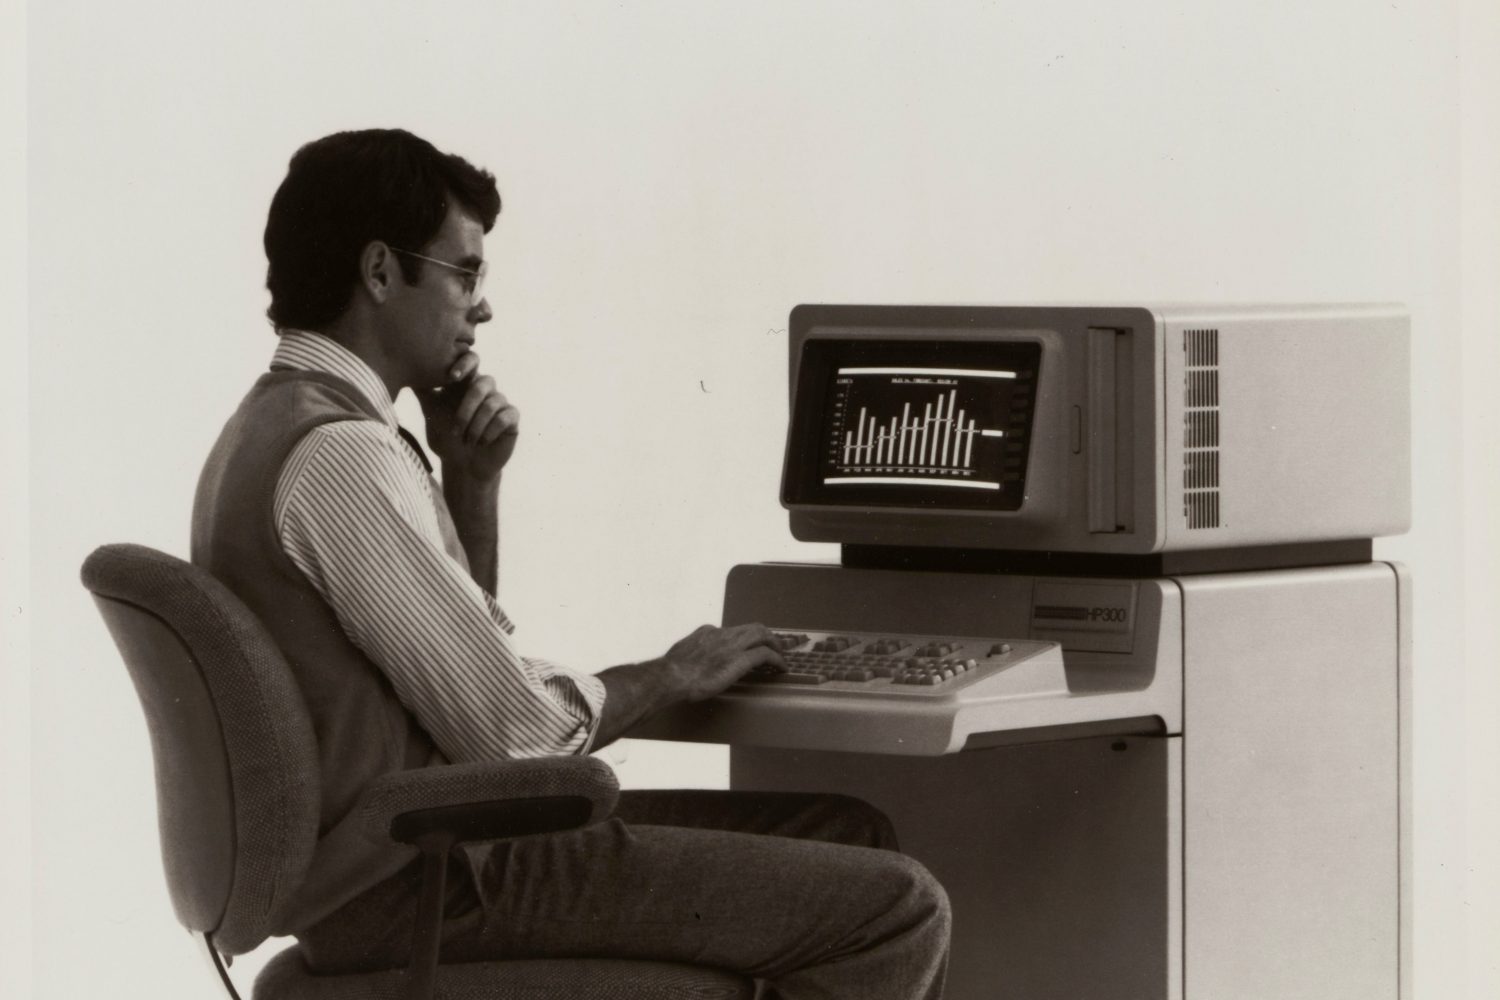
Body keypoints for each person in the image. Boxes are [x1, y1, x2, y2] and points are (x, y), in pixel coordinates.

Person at [193, 128, 950, 998]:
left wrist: (470, 487)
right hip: (427, 880)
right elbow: (516, 737)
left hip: (418, 857)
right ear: (378, 271)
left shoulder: (275, 425)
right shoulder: (341, 456)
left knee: (844, 830)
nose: (482, 308)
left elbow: (441, 693)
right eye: (466, 274)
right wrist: (670, 673)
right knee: (900, 911)